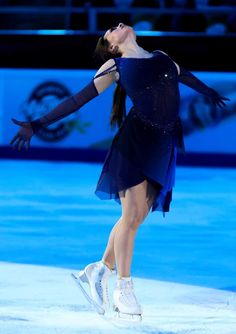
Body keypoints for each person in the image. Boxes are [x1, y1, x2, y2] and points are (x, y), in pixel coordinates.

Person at [10, 22, 229, 321]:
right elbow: (77, 100)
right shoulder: (116, 65)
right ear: (112, 46)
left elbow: (183, 75)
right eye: (111, 30)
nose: (118, 25)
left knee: (137, 217)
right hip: (134, 143)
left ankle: (98, 270)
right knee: (131, 217)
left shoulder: (162, 56)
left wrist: (209, 92)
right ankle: (123, 288)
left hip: (162, 147)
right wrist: (36, 124)